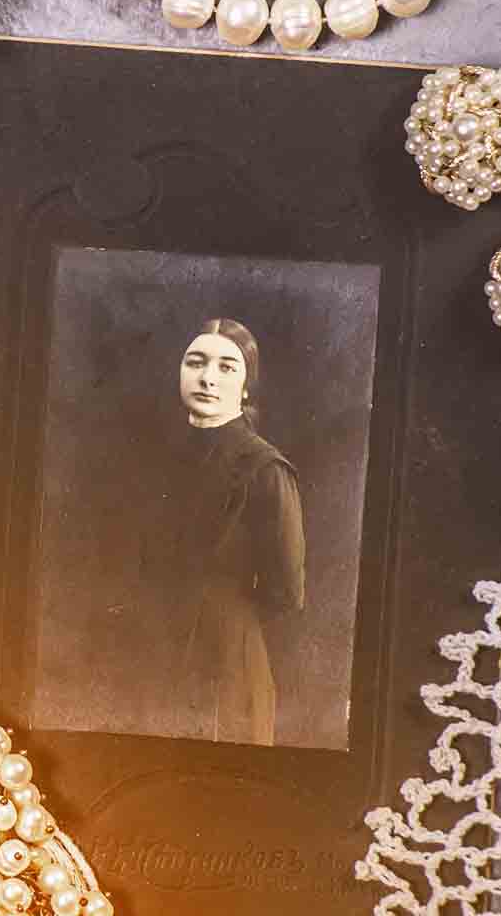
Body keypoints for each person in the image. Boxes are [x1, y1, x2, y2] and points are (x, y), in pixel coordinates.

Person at [160, 317, 307, 746]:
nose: (207, 378)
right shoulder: (155, 458)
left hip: (227, 666)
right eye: (196, 362)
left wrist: (223, 612)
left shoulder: (265, 469)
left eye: (227, 367)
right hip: (154, 657)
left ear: (245, 387)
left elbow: (285, 591)